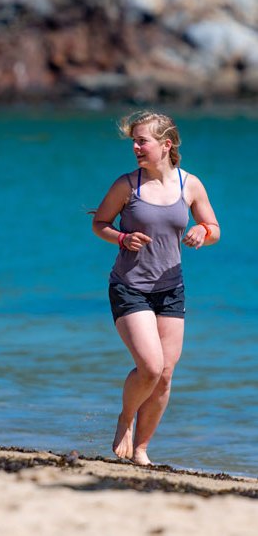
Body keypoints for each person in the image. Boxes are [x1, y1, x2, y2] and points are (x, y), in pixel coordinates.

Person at [92, 110, 220, 465]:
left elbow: (213, 227)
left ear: (165, 145)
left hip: (171, 289)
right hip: (130, 286)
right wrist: (121, 237)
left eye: (141, 140)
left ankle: (142, 451)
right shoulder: (126, 185)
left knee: (164, 375)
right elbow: (100, 223)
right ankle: (125, 419)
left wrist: (203, 232)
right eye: (133, 140)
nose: (135, 147)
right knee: (149, 366)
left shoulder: (189, 184)